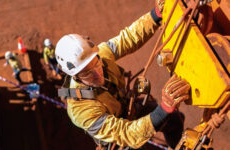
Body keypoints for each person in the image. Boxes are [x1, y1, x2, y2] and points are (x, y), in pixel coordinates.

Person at [55, 1, 190, 149]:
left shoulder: (101, 55)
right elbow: (126, 133)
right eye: (87, 72)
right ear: (75, 76)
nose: (97, 73)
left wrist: (155, 16)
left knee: (174, 121)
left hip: (127, 108)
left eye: (96, 63)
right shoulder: (81, 110)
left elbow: (128, 38)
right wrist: (164, 109)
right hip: (117, 137)